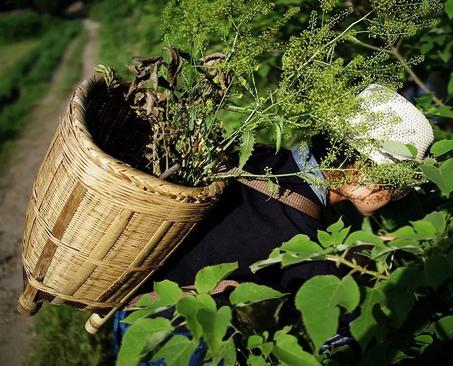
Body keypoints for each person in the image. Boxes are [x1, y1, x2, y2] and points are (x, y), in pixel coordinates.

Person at [112, 84, 434, 364]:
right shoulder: (300, 236)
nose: (394, 195)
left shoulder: (262, 159)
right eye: (396, 183)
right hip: (179, 334)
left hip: (133, 306)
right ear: (362, 170)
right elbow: (338, 336)